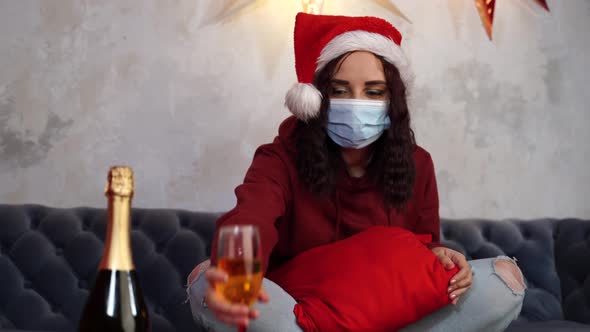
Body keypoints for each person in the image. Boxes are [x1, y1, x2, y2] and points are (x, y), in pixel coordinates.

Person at [188, 12, 526, 332]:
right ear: (317, 97)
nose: (356, 102)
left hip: (389, 309)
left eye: (373, 91)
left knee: (503, 281)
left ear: (392, 100)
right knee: (208, 282)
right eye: (339, 90)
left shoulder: (418, 164)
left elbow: (423, 251)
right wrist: (236, 268)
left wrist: (439, 255)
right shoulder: (280, 158)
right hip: (301, 308)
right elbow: (251, 217)